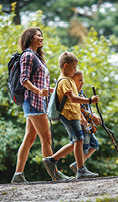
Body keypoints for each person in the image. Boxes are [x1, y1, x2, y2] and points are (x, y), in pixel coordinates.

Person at [11, 27, 71, 183]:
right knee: (46, 138)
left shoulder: (36, 56)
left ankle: (18, 175)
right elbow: (24, 80)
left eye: (41, 35)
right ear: (30, 38)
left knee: (30, 138)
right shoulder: (28, 56)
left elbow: (38, 82)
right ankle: (55, 174)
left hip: (36, 102)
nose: (41, 38)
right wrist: (39, 91)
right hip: (33, 102)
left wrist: (52, 90)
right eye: (38, 35)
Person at [43, 51, 99, 180]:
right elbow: (73, 99)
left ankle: (52, 160)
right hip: (68, 115)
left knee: (77, 141)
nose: (75, 70)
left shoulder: (69, 80)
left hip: (73, 115)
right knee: (78, 140)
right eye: (74, 67)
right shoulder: (64, 81)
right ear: (66, 66)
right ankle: (80, 169)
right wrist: (90, 100)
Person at [69, 70, 101, 175]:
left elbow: (87, 108)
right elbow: (81, 110)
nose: (82, 82)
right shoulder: (74, 95)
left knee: (94, 145)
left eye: (83, 80)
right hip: (83, 126)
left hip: (89, 126)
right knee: (84, 147)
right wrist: (92, 117)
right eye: (79, 80)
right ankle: (79, 166)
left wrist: (94, 115)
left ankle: (78, 163)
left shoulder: (81, 93)